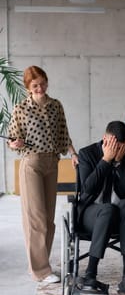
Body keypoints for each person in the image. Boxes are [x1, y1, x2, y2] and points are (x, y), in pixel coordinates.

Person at [7, 66, 78, 283]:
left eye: (43, 83)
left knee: (48, 219)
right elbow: (13, 140)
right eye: (35, 85)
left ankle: (40, 262)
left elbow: (63, 134)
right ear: (28, 87)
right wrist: (15, 143)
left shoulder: (56, 106)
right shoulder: (21, 109)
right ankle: (41, 270)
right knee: (36, 218)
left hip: (52, 162)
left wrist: (73, 154)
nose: (40, 88)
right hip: (32, 164)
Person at [77, 120, 125, 294]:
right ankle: (90, 274)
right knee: (108, 209)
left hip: (121, 218)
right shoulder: (87, 154)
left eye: (120, 146)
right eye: (113, 145)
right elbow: (87, 190)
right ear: (104, 139)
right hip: (92, 215)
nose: (116, 150)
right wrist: (106, 160)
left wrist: (120, 163)